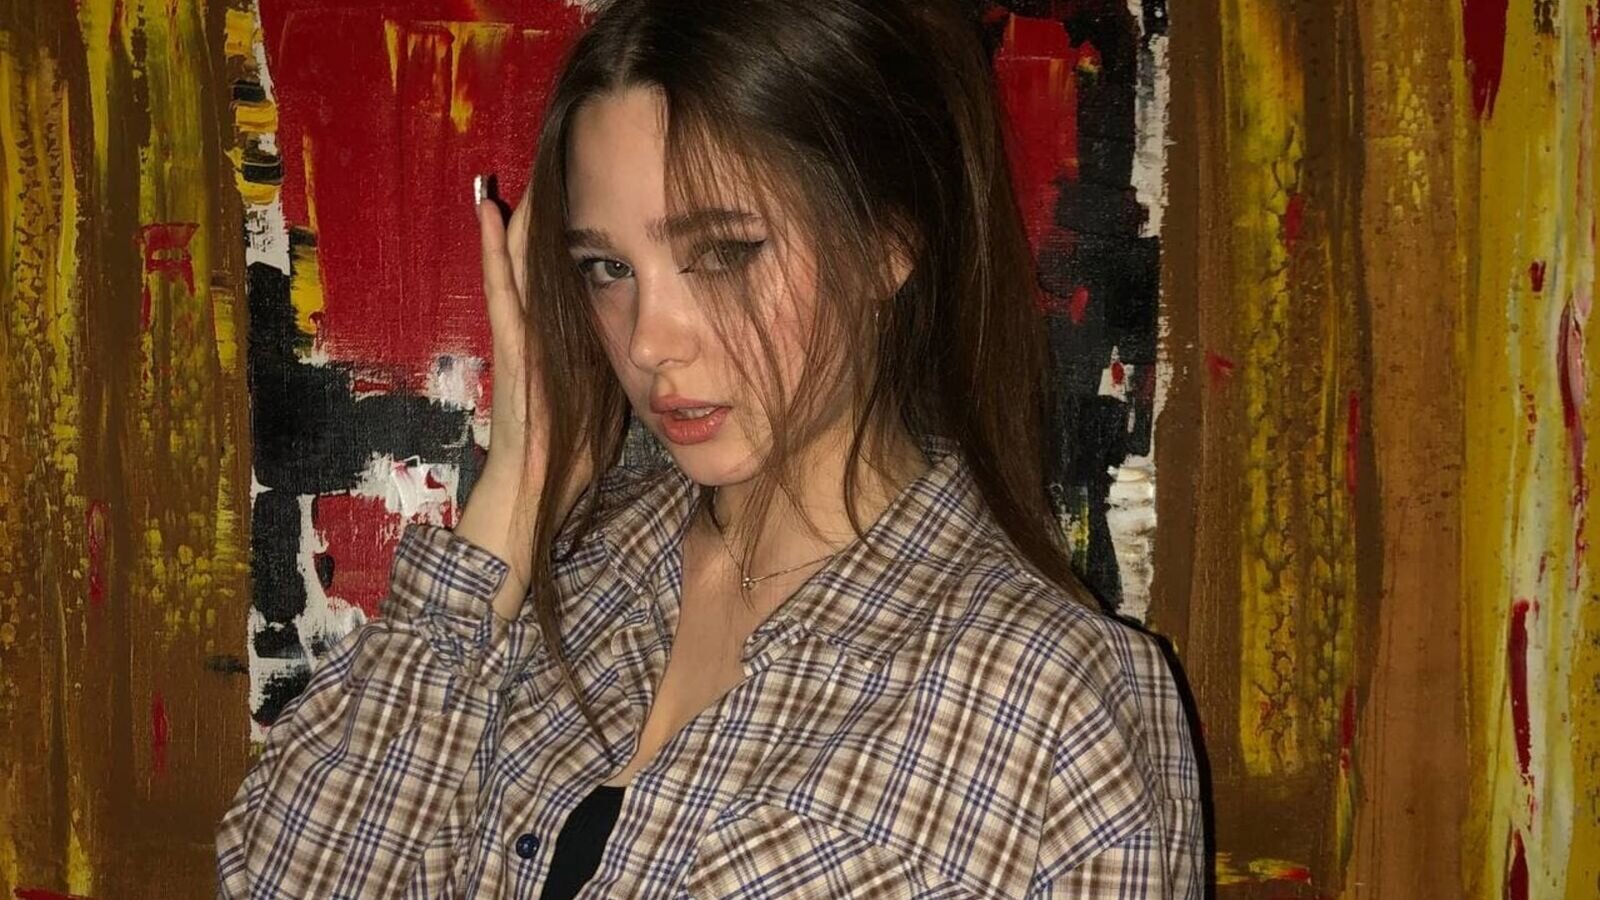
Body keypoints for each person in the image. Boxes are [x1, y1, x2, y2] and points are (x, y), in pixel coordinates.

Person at [215, 0, 1205, 896]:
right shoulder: (567, 587)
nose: (649, 340)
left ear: (888, 242)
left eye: (724, 253)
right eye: (607, 267)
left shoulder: (1053, 697)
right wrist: (516, 489)